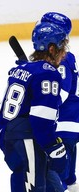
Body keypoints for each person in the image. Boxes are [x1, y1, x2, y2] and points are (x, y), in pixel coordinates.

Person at [0, 21, 69, 191]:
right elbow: (42, 120)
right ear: (51, 49)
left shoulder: (25, 68)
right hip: (26, 137)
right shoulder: (48, 73)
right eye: (62, 48)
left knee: (35, 182)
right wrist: (53, 147)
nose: (64, 54)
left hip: (8, 134)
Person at [39, 12, 79, 192]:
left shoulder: (62, 60)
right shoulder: (65, 56)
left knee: (57, 173)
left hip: (64, 122)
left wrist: (39, 100)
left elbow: (61, 92)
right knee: (68, 173)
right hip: (71, 121)